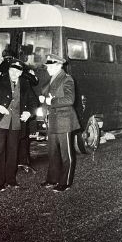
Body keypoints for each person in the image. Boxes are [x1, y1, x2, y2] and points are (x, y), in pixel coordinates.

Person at [0, 58, 38, 192]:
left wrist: (29, 112)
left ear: (21, 72)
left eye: (17, 71)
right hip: (1, 121)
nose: (14, 73)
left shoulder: (25, 84)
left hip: (16, 123)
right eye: (12, 70)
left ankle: (11, 180)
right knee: (0, 150)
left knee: (13, 151)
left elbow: (33, 102)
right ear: (8, 70)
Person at [39, 54, 80, 193]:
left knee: (65, 153)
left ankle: (65, 182)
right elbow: (48, 94)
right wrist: (44, 98)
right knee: (52, 152)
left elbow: (70, 99)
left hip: (64, 120)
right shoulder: (52, 78)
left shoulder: (67, 79)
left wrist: (52, 101)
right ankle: (52, 179)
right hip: (52, 120)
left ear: (58, 66)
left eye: (50, 66)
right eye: (47, 66)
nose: (47, 69)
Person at [17, 63, 40, 173]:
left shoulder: (23, 79)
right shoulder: (25, 76)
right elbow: (35, 81)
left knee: (23, 137)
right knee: (23, 138)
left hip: (23, 111)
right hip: (17, 112)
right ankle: (23, 162)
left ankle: (22, 162)